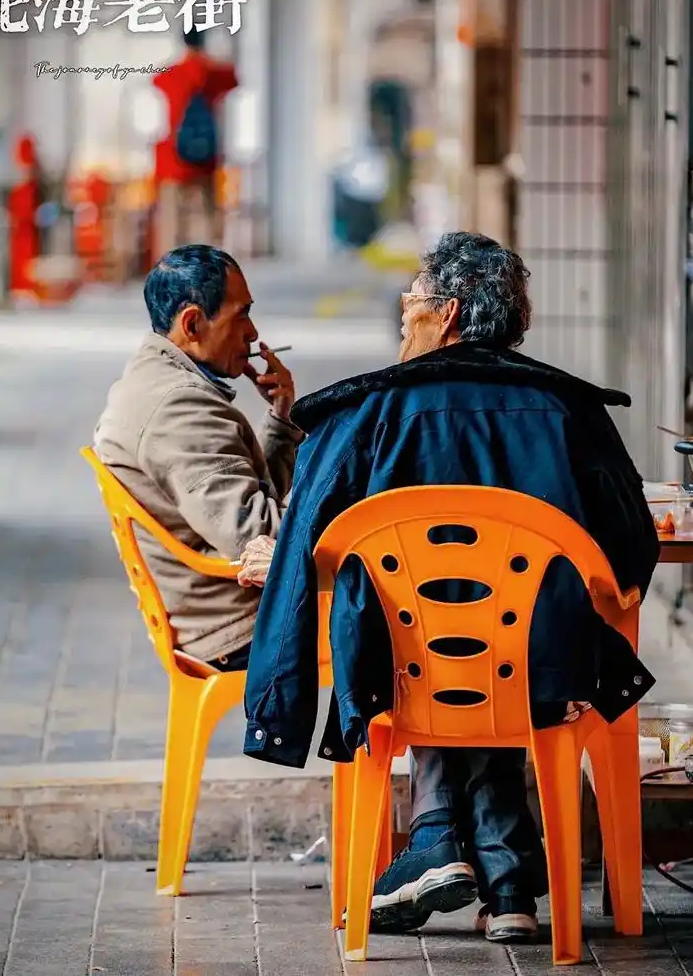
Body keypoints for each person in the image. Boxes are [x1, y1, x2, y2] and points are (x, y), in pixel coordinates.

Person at [239, 232, 659, 943]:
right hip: (541, 672)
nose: (404, 312)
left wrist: (278, 709)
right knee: (493, 629)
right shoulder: (570, 412)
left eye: (415, 299)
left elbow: (305, 550)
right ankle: (509, 881)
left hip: (396, 671)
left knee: (425, 628)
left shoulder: (364, 416)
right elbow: (632, 550)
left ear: (450, 311)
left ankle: (439, 835)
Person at [94, 244, 301, 669]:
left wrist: (282, 417)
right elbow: (258, 539)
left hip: (229, 605)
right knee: (389, 613)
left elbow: (249, 501)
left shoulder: (157, 379)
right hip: (237, 623)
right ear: (192, 322)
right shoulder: (177, 408)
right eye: (240, 314)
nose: (252, 332)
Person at [152, 29, 238, 250]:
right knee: (207, 217)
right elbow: (234, 79)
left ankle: (170, 271)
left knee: (171, 220)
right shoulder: (213, 72)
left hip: (174, 158)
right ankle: (207, 269)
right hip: (205, 158)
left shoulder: (171, 73)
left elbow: (156, 81)